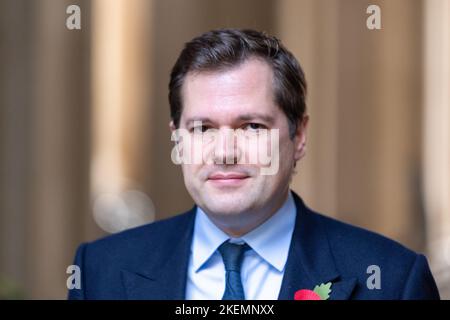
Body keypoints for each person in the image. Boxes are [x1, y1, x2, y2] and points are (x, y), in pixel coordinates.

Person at [68, 29, 440, 300]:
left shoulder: (392, 281)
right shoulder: (101, 272)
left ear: (299, 136)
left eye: (251, 126)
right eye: (202, 128)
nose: (225, 152)